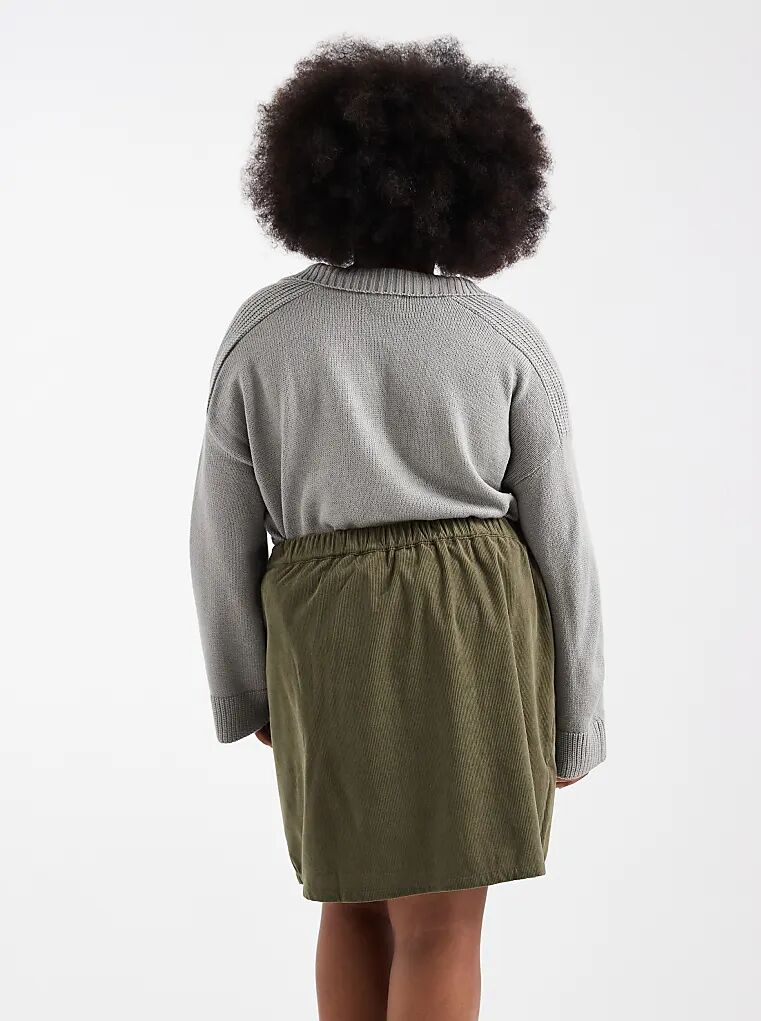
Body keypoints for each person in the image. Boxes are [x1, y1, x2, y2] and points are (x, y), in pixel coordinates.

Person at [190, 35, 606, 1021]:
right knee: (444, 923)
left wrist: (244, 685)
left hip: (324, 628)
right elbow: (563, 547)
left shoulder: (263, 332)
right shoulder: (500, 337)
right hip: (474, 627)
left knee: (347, 901)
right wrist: (577, 717)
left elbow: (219, 531)